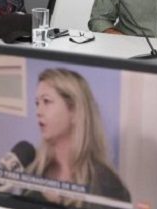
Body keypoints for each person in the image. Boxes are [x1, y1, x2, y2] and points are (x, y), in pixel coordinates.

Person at [26, 68, 131, 208]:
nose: (38, 111)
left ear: (75, 111)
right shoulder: (34, 169)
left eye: (46, 101)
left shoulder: (107, 185)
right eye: (37, 103)